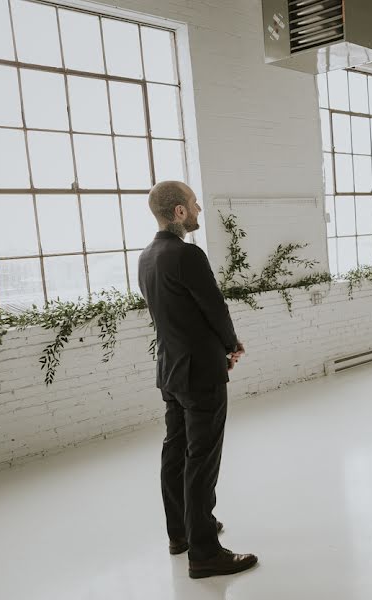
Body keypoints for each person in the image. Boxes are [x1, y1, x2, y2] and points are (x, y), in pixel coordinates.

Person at [138, 181, 258, 578]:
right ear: (178, 213)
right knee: (201, 459)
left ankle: (182, 533)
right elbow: (214, 306)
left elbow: (170, 317)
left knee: (175, 452)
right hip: (200, 372)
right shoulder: (187, 255)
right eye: (193, 204)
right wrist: (231, 343)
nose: (198, 211)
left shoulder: (147, 257)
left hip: (170, 371)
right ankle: (204, 552)